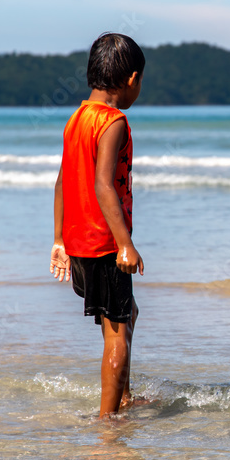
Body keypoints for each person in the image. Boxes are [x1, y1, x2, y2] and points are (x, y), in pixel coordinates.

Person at [49, 32, 145, 418]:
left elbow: (61, 181)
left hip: (78, 243)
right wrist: (125, 243)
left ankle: (122, 396)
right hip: (105, 243)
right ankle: (109, 420)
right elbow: (104, 185)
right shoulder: (113, 122)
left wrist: (58, 239)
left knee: (125, 314)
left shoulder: (77, 119)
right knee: (116, 332)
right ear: (132, 80)